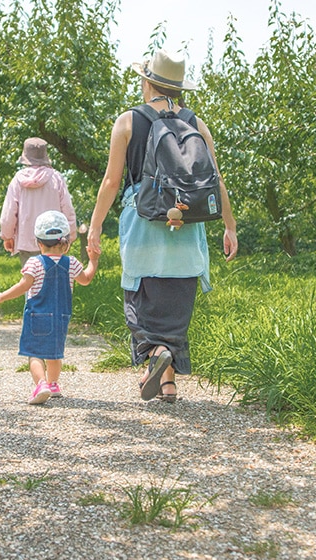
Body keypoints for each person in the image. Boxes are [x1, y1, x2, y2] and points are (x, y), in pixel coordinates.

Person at [87, 49, 237, 403]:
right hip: (186, 225)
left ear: (148, 83)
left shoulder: (128, 121)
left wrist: (95, 226)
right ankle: (168, 383)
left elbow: (111, 181)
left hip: (143, 222)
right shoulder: (196, 123)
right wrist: (229, 226)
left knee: (140, 300)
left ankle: (156, 353)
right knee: (175, 302)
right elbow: (215, 180)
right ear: (179, 88)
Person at [0, 210, 100, 405]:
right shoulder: (72, 263)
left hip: (37, 316)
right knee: (54, 354)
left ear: (38, 242)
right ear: (66, 242)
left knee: (34, 353)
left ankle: (41, 384)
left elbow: (23, 286)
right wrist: (93, 260)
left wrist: (2, 296)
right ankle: (53, 384)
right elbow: (86, 279)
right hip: (61, 317)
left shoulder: (35, 263)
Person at [0, 137, 77, 267]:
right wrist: (71, 235)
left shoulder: (17, 181)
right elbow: (67, 209)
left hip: (26, 241)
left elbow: (9, 213)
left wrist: (7, 236)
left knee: (30, 277)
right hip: (54, 240)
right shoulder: (56, 178)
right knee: (54, 276)